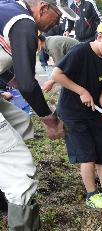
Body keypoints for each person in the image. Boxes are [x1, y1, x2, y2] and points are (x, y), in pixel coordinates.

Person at [0, 0, 78, 230]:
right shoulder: (23, 22)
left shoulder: (7, 10)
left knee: (20, 123)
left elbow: (13, 74)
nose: (59, 22)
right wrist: (50, 119)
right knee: (20, 171)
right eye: (57, 15)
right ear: (43, 7)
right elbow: (27, 84)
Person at [51, 15, 102, 211]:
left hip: (93, 111)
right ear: (99, 37)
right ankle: (91, 195)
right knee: (87, 154)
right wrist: (81, 91)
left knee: (101, 152)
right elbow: (56, 74)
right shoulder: (80, 51)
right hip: (73, 112)